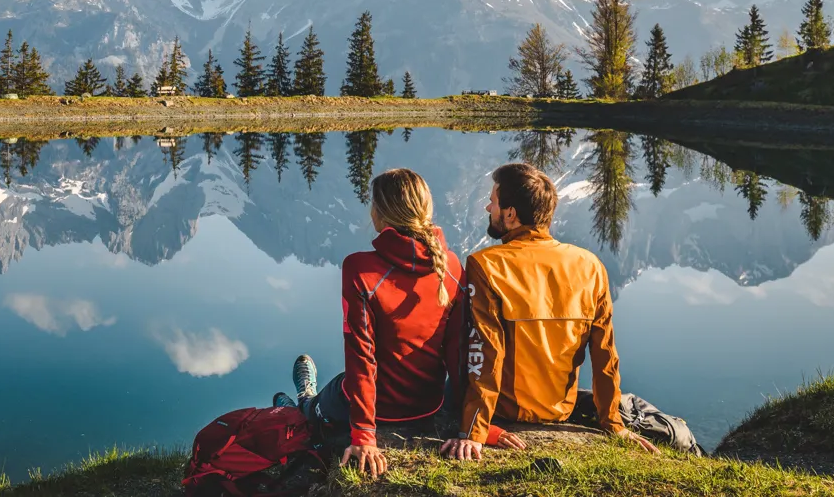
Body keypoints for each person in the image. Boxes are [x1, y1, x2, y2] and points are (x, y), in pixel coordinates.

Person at [279, 168, 524, 479]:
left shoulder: (359, 268)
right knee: (349, 384)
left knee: (319, 406)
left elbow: (362, 358)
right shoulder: (449, 264)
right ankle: (305, 399)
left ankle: (302, 401)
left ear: (379, 213)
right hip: (429, 403)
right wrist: (477, 426)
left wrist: (364, 435)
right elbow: (458, 355)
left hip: (378, 408)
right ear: (426, 210)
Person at [440, 162, 659, 461]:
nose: (487, 206)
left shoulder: (487, 264)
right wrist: (612, 423)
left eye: (493, 200)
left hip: (506, 410)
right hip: (560, 410)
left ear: (510, 214)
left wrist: (474, 431)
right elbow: (605, 353)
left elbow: (485, 352)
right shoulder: (590, 265)